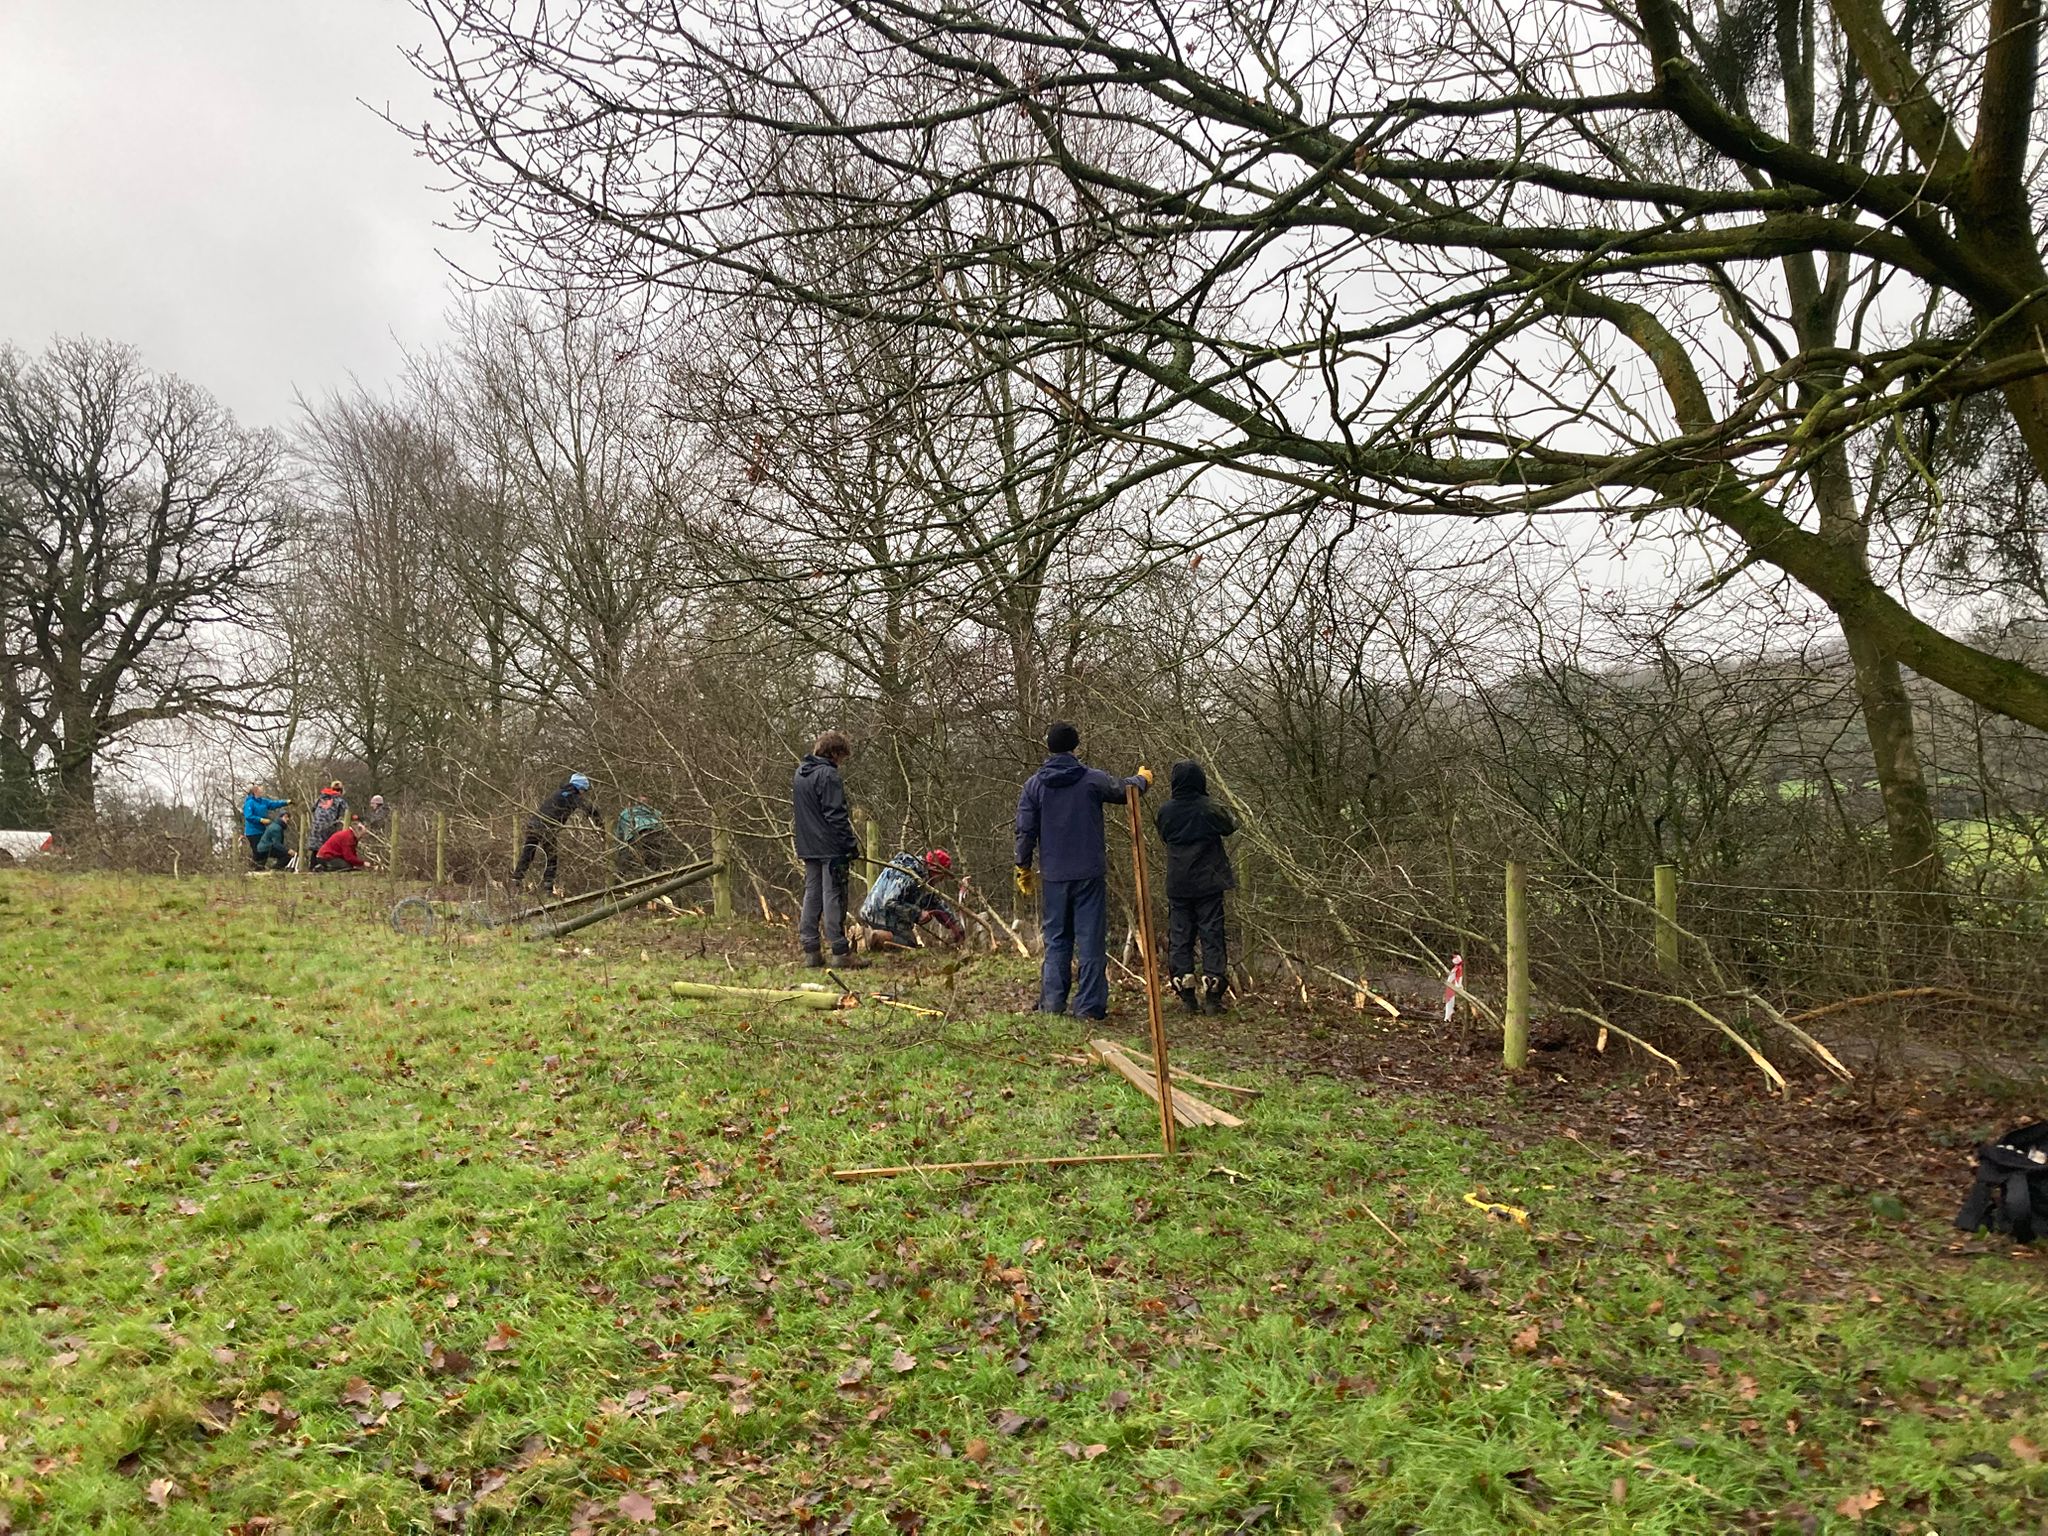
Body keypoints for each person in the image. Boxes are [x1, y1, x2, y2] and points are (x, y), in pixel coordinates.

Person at [1014, 721, 1150, 1020]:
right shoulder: (1090, 779)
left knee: (1057, 939)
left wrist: (1022, 866)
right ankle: (1089, 1007)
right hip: (1089, 873)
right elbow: (1124, 790)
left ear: (1048, 747)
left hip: (1054, 875)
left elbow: (1025, 831)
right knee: (1090, 939)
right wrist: (1142, 780)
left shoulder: (1034, 785)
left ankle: (1052, 1003)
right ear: (1075, 746)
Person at [1154, 759, 1238, 1013]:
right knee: (1211, 934)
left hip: (1179, 882)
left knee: (1180, 936)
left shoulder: (1166, 811)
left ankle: (1186, 994)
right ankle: (1213, 996)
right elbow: (1231, 825)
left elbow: (1164, 836)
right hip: (1209, 881)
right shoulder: (1209, 808)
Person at [792, 731, 864, 968]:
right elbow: (837, 815)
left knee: (812, 894)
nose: (842, 762)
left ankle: (810, 949)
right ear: (834, 753)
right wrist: (850, 845)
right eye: (842, 757)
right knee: (833, 896)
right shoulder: (828, 775)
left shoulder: (800, 775)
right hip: (831, 847)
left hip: (808, 845)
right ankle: (839, 951)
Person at [859, 848, 966, 951]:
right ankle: (873, 937)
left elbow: (934, 903)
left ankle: (870, 936)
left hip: (882, 913)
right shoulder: (908, 873)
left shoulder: (922, 877)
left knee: (909, 941)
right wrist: (918, 913)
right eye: (942, 875)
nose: (942, 880)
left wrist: (953, 924)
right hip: (878, 913)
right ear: (935, 869)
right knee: (908, 942)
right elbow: (890, 903)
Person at [513, 772, 601, 895]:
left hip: (533, 824)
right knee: (552, 856)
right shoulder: (572, 795)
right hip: (547, 828)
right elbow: (590, 809)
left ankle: (516, 879)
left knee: (528, 852)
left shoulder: (560, 793)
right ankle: (548, 887)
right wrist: (600, 824)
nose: (584, 793)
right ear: (580, 788)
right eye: (584, 790)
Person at [613, 798, 675, 875]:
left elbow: (619, 834)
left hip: (636, 834)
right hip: (655, 832)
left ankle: (621, 873)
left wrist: (618, 846)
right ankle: (656, 869)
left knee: (627, 855)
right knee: (654, 853)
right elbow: (663, 821)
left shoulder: (625, 813)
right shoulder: (652, 810)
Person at [240, 783, 289, 864]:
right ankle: (256, 867)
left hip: (262, 830)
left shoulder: (263, 801)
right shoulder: (250, 802)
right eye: (260, 790)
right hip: (253, 832)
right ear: (255, 791)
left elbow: (273, 804)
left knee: (264, 850)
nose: (261, 791)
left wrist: (285, 802)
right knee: (258, 852)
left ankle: (260, 867)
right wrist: (260, 820)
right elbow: (248, 816)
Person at [309, 781, 349, 850]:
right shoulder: (340, 800)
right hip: (328, 828)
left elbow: (312, 809)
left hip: (316, 828)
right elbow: (347, 813)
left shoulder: (321, 798)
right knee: (327, 851)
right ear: (341, 791)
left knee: (315, 850)